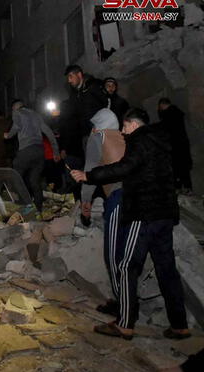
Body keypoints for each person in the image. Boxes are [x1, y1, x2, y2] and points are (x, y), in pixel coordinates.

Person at [71, 108, 190, 341]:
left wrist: (89, 176)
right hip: (165, 213)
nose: (123, 133)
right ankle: (180, 325)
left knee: (126, 266)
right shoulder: (161, 142)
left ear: (133, 124)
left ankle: (125, 323)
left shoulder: (138, 140)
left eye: (125, 128)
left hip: (143, 212)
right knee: (166, 268)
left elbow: (125, 168)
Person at [80, 109, 126, 317]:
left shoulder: (98, 137)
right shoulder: (126, 136)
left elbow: (90, 172)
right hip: (140, 197)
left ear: (97, 125)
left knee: (114, 254)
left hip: (119, 199)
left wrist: (85, 202)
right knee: (129, 253)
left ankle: (122, 306)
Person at [4, 100, 60, 213]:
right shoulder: (36, 115)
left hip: (26, 150)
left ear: (15, 108)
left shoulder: (17, 113)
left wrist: (8, 135)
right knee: (34, 181)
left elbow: (16, 127)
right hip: (39, 151)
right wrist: (56, 152)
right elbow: (49, 133)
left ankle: (24, 206)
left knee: (15, 177)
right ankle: (38, 208)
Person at [157, 98, 193, 195]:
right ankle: (186, 187)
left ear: (162, 105)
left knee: (177, 167)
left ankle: (179, 187)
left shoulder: (168, 115)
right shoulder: (177, 113)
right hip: (182, 145)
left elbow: (164, 128)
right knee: (183, 167)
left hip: (176, 146)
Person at [65, 65, 108, 137]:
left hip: (100, 132)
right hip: (85, 135)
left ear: (79, 74)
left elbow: (107, 104)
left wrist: (101, 126)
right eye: (68, 78)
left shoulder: (94, 85)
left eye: (71, 76)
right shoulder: (74, 94)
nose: (69, 80)